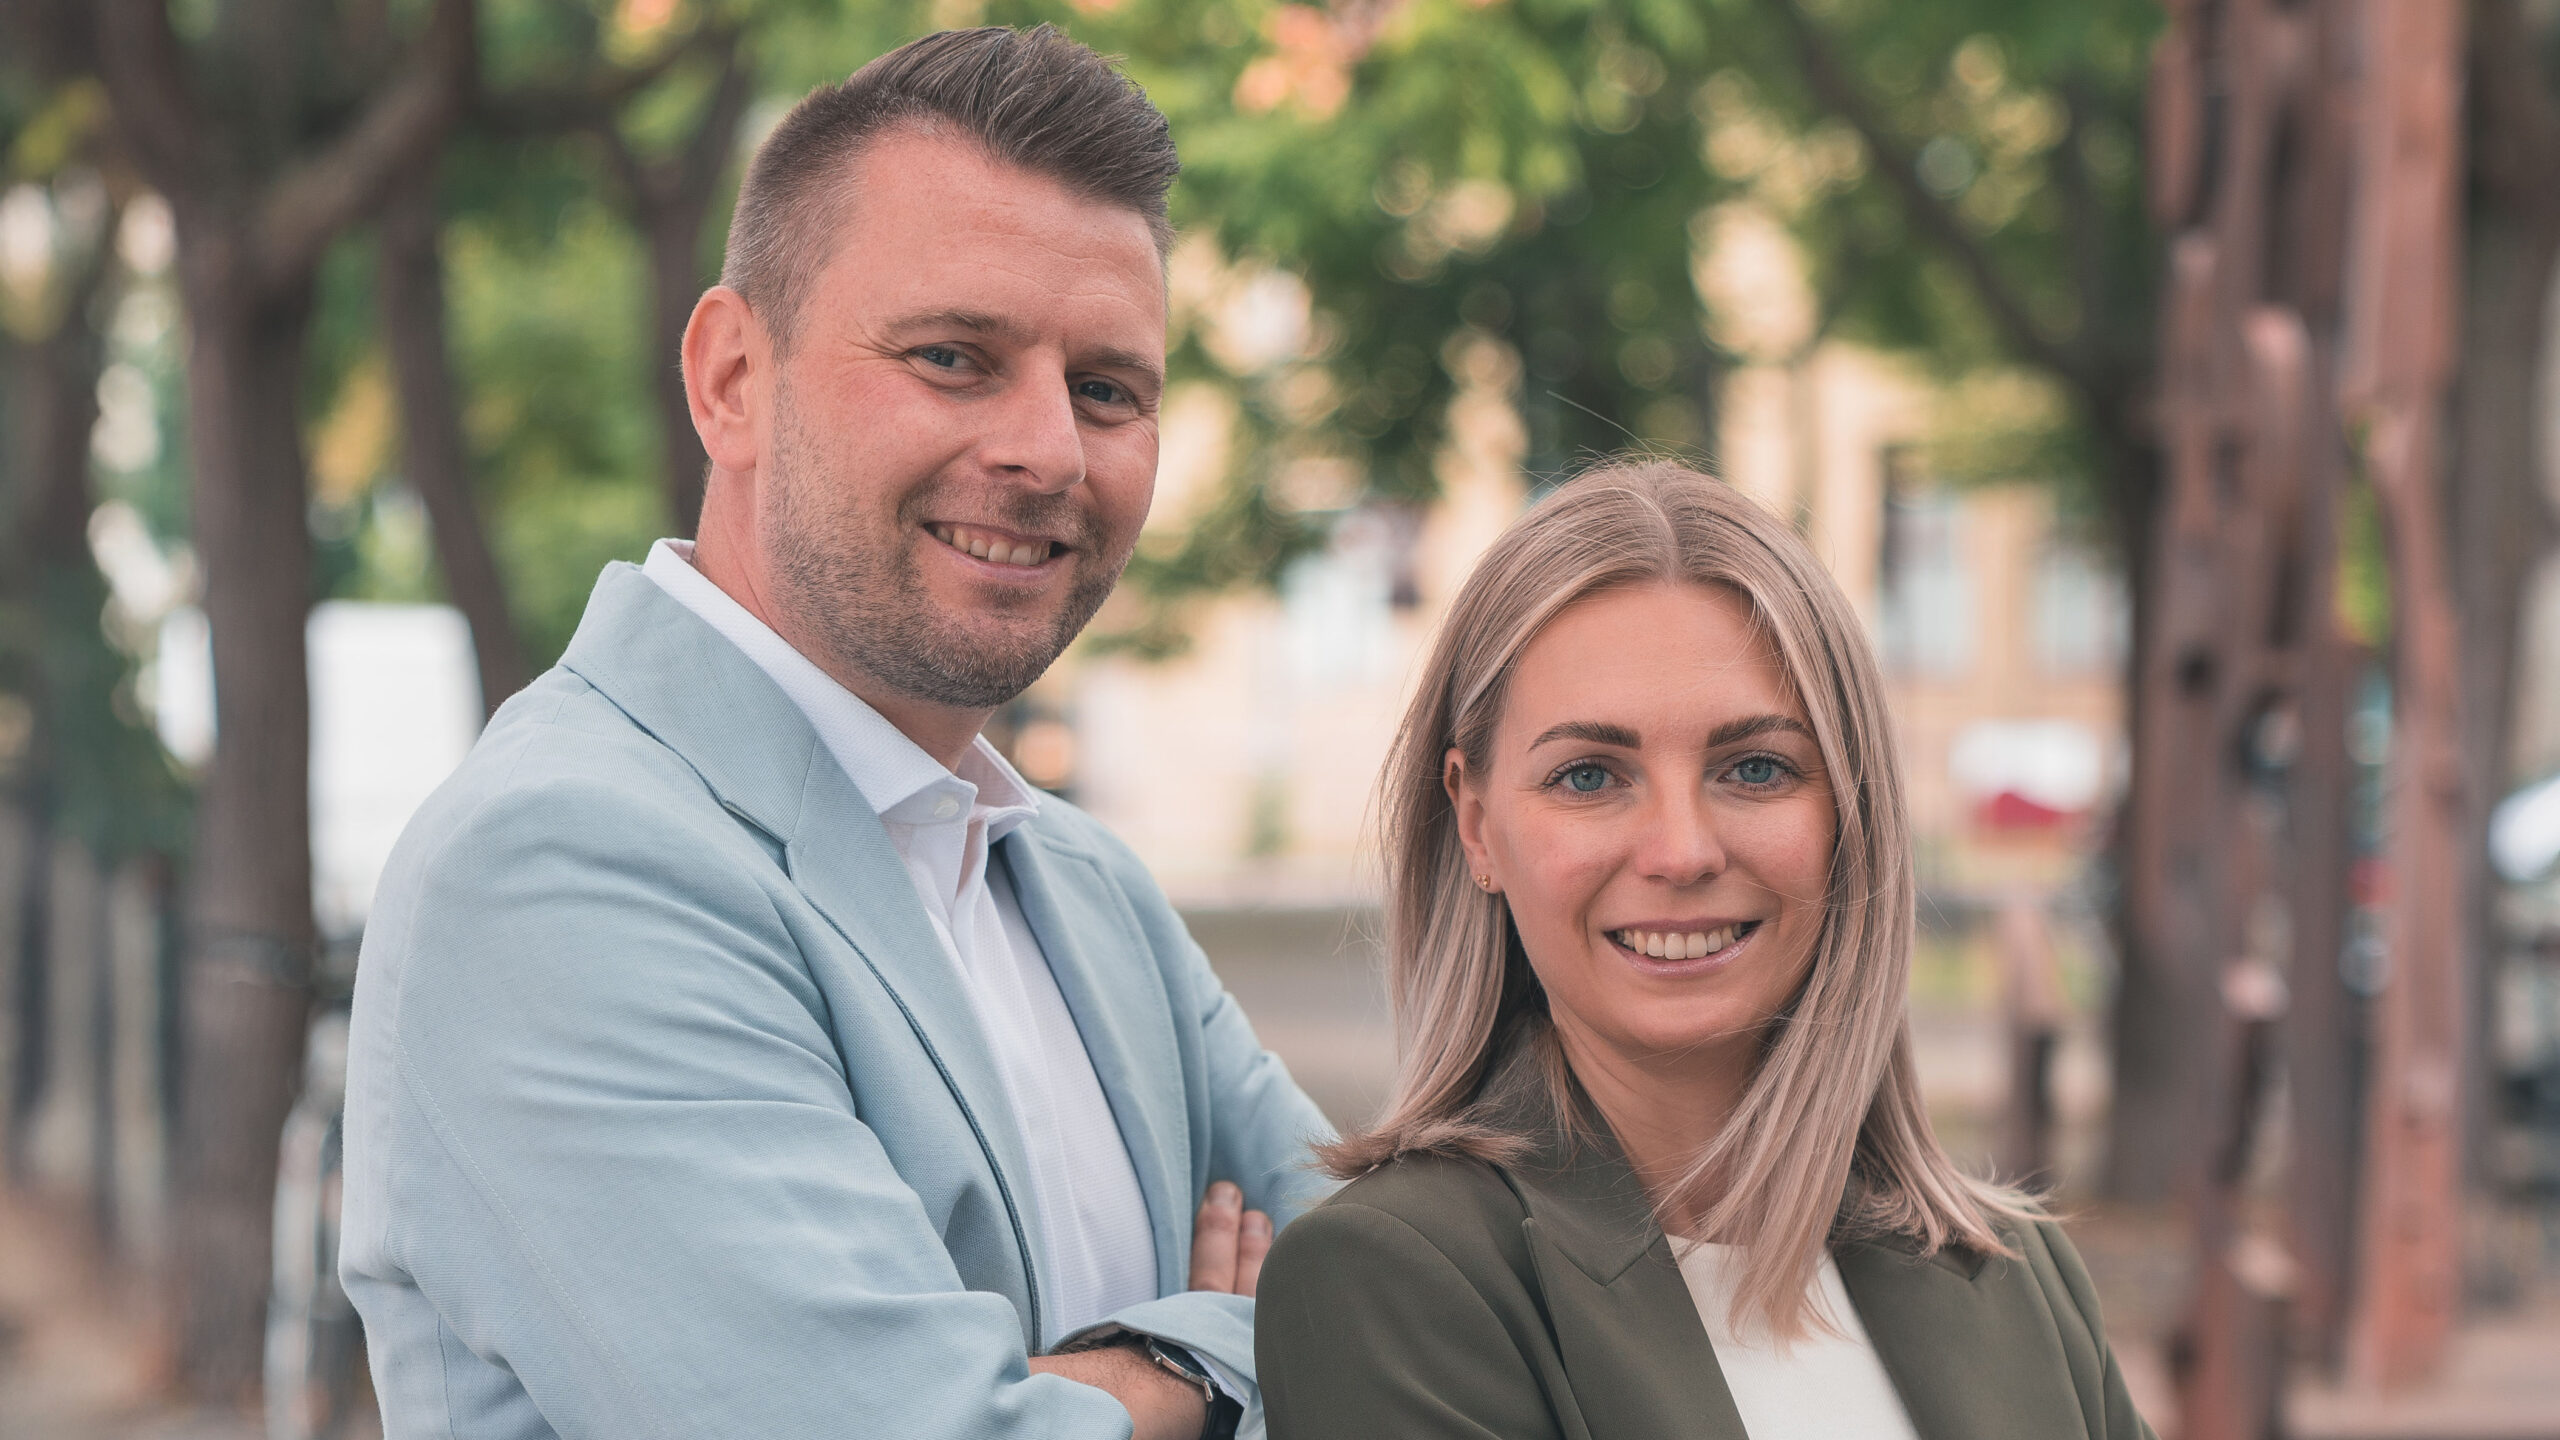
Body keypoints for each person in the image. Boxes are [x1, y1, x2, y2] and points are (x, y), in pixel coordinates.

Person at [339, 28, 1331, 1440]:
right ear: (733, 378)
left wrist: (1112, 1389)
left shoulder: (1086, 889)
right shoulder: (559, 868)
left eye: (1107, 389)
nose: (1049, 451)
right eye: (953, 357)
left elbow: (1423, 1299)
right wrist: (1228, 1343)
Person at [1256, 460, 2156, 1440]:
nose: (1681, 851)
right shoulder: (1389, 1279)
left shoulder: (2020, 1276)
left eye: (1756, 768)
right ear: (1476, 825)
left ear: (1848, 814)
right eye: (1589, 776)